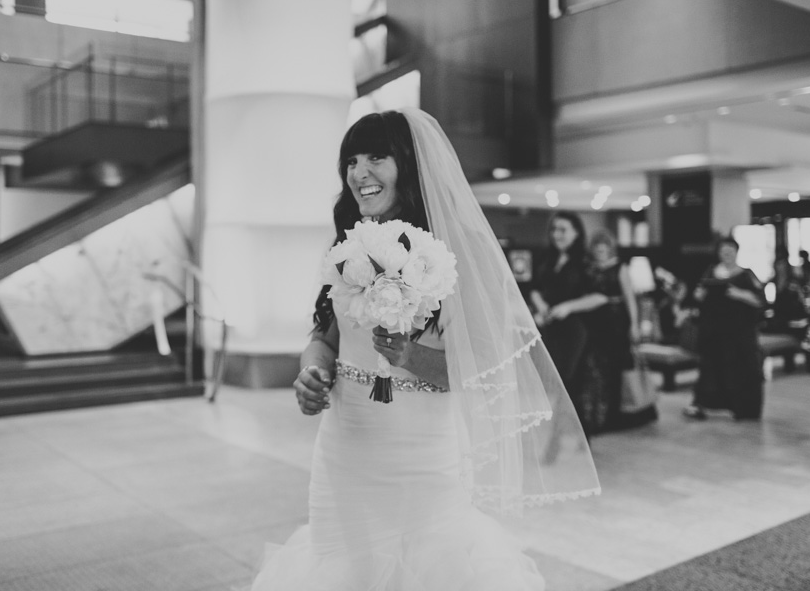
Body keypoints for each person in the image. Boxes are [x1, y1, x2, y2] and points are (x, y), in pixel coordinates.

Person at [249, 109, 600, 590]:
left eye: (377, 157)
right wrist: (312, 371)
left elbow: (481, 371)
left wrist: (406, 355)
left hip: (420, 455)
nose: (359, 173)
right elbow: (324, 338)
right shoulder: (348, 245)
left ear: (410, 166)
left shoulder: (459, 250)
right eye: (351, 161)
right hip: (343, 451)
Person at [528, 212, 609, 436]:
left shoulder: (585, 260)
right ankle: (558, 438)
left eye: (562, 229)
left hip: (576, 331)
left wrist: (569, 307)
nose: (556, 234)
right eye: (554, 229)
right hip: (550, 327)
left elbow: (601, 296)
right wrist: (541, 306)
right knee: (553, 384)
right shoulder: (547, 258)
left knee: (568, 383)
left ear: (576, 232)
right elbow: (534, 287)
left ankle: (573, 438)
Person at [684, 237, 765, 421]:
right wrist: (699, 295)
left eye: (730, 250)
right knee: (711, 369)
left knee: (742, 370)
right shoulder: (711, 272)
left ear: (737, 252)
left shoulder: (746, 274)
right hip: (714, 333)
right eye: (723, 250)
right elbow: (699, 297)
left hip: (740, 334)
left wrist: (741, 294)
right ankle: (705, 406)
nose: (727, 254)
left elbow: (760, 301)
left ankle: (744, 409)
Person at [587, 230, 657, 430]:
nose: (601, 252)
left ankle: (624, 411)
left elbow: (630, 298)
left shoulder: (620, 267)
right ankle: (602, 413)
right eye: (597, 249)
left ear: (610, 249)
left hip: (616, 322)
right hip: (595, 322)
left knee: (620, 367)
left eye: (604, 248)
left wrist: (634, 324)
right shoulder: (589, 268)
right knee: (600, 369)